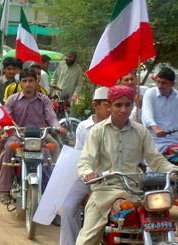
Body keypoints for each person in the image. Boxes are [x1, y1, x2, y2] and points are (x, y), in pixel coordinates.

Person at [76, 85, 178, 244]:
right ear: (109, 106)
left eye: (127, 105)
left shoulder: (141, 131)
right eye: (118, 105)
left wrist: (177, 171)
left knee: (158, 221)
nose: (123, 109)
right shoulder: (97, 131)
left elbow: (156, 159)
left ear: (133, 105)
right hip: (105, 191)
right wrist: (88, 173)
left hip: (135, 191)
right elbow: (86, 160)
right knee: (86, 239)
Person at [0, 68, 67, 205]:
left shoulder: (44, 100)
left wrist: (58, 128)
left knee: (49, 155)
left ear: (36, 83)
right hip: (18, 136)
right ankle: (5, 189)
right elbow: (6, 117)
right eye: (24, 81)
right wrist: (0, 127)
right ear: (20, 83)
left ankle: (49, 193)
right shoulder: (12, 100)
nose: (28, 84)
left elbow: (51, 118)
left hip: (39, 137)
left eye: (31, 81)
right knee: (8, 151)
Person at [60, 86, 110, 245]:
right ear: (96, 105)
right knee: (68, 207)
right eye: (106, 105)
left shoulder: (118, 127)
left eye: (112, 104)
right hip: (85, 177)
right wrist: (87, 175)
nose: (110, 109)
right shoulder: (83, 127)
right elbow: (80, 157)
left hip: (110, 179)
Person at [142, 67, 178, 153]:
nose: (160, 86)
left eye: (164, 83)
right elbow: (147, 115)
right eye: (158, 82)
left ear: (172, 84)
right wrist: (156, 128)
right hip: (156, 141)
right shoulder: (150, 93)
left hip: (177, 140)